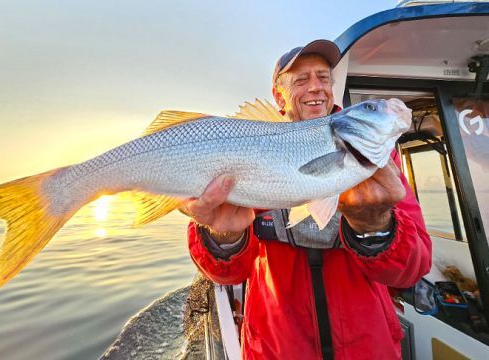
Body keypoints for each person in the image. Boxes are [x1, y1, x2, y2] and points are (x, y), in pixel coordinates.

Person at [182, 39, 431, 359]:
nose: (316, 88)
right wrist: (224, 237)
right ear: (278, 96)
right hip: (277, 347)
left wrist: (377, 226)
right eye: (301, 80)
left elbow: (411, 269)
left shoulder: (378, 161)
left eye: (324, 78)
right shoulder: (247, 150)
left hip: (368, 347)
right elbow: (226, 275)